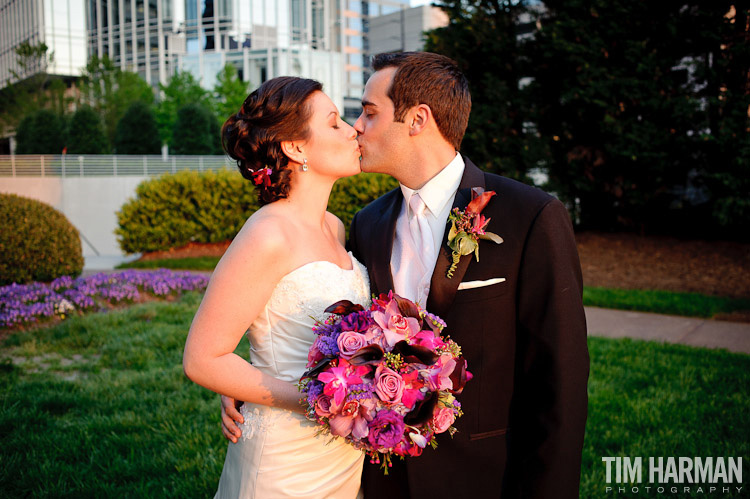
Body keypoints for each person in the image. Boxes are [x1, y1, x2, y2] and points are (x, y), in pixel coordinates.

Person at [222, 52, 589, 498]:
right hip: (378, 476)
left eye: (370, 112)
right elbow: (320, 320)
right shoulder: (367, 225)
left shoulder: (530, 216)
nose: (357, 126)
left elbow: (560, 386)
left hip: (485, 477)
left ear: (417, 119)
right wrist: (248, 383)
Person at [183, 76, 369, 498]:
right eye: (335, 122)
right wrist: (322, 401)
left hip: (341, 455)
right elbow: (202, 358)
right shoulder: (268, 234)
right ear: (296, 147)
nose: (353, 130)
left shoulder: (334, 228)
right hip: (283, 462)